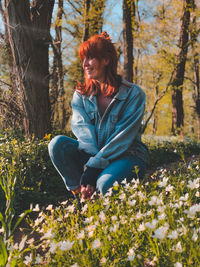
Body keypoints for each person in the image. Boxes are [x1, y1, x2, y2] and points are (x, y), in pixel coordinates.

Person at [48, 31, 148, 200]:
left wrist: (93, 168)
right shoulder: (80, 95)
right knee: (57, 144)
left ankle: (98, 190)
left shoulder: (133, 94)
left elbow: (122, 139)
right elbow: (83, 133)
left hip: (127, 156)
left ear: (106, 60)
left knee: (105, 185)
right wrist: (91, 166)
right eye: (83, 59)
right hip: (92, 156)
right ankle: (83, 198)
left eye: (91, 58)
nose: (85, 64)